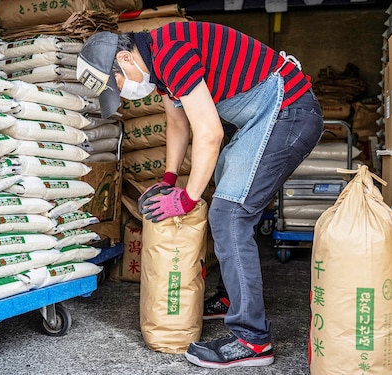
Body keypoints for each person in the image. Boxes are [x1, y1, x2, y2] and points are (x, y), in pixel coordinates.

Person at [76, 21, 323, 369]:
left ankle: (252, 340)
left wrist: (186, 199)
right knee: (224, 188)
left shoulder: (170, 52)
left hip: (289, 113)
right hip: (266, 117)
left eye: (116, 83)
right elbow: (177, 124)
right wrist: (169, 178)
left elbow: (209, 133)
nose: (123, 92)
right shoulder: (157, 66)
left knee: (230, 214)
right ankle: (229, 299)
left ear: (125, 59)